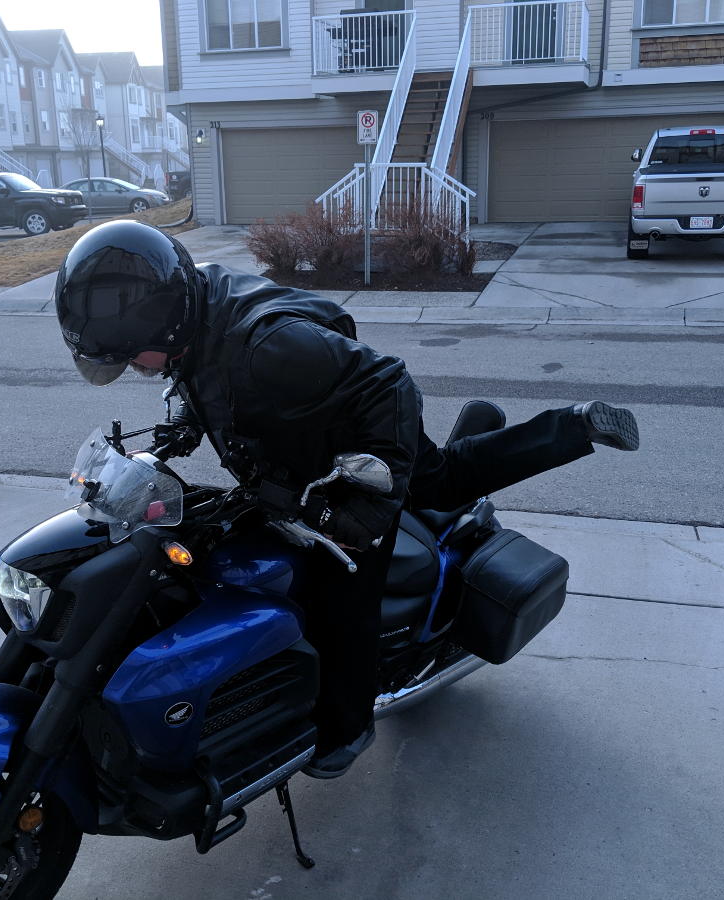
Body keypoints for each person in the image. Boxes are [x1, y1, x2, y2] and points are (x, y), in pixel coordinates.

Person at [55, 221, 639, 779]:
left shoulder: (269, 348)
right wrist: (185, 417)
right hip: (300, 427)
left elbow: (389, 383)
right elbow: (198, 370)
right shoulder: (191, 300)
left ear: (169, 323)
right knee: (439, 480)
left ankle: (348, 726)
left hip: (355, 434)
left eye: (136, 356)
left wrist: (370, 497)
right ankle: (545, 428)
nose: (134, 367)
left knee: (346, 589)